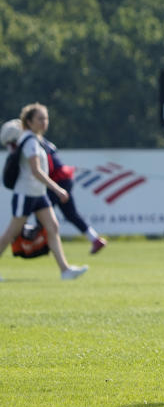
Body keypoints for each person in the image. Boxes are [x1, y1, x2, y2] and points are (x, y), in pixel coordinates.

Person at [0, 104, 88, 280]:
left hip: (38, 193)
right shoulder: (30, 141)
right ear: (29, 121)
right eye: (40, 119)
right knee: (11, 233)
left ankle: (65, 270)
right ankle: (65, 270)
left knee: (53, 227)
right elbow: (36, 171)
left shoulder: (35, 139)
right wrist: (57, 188)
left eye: (45, 118)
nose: (44, 122)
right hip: (25, 193)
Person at [42, 138, 107, 254]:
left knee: (42, 213)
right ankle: (95, 239)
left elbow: (48, 167)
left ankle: (42, 246)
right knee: (70, 214)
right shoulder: (41, 140)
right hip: (64, 178)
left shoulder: (33, 141)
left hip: (56, 180)